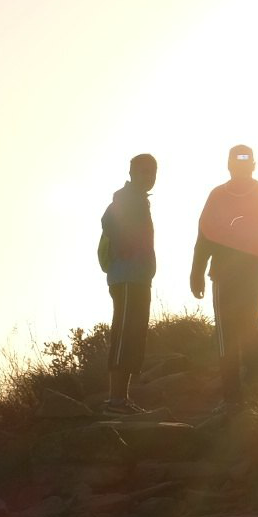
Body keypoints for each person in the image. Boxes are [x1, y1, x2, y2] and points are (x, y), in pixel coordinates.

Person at [191, 145, 258, 412]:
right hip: (230, 274)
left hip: (243, 274)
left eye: (246, 162)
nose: (242, 166)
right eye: (238, 161)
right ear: (230, 166)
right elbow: (204, 235)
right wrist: (196, 271)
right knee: (236, 332)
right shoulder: (222, 196)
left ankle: (244, 397)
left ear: (253, 165)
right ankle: (239, 397)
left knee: (240, 332)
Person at [100, 153, 158, 416]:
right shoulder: (125, 198)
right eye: (144, 171)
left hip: (137, 277)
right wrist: (126, 246)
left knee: (134, 335)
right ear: (133, 173)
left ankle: (121, 399)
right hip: (125, 276)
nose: (149, 177)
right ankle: (115, 401)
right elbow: (108, 221)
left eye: (153, 172)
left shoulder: (139, 200)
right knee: (124, 334)